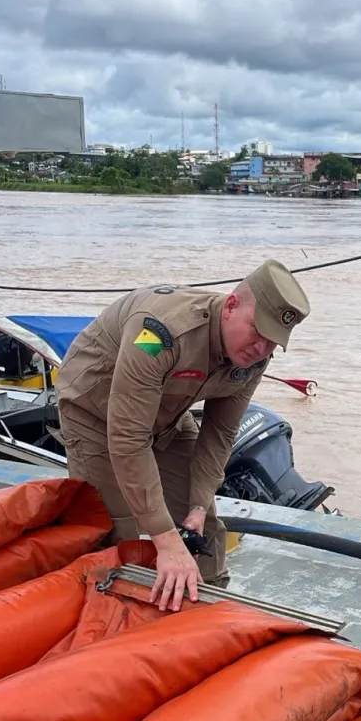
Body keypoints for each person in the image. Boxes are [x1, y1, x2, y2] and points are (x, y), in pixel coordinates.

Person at [55, 259, 310, 613]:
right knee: (115, 528)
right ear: (231, 306)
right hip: (94, 413)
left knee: (204, 526)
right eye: (257, 331)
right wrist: (165, 540)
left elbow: (220, 433)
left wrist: (197, 506)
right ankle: (107, 615)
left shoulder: (254, 357)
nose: (261, 349)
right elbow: (128, 438)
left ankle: (208, 609)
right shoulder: (159, 332)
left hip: (167, 414)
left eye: (272, 342)